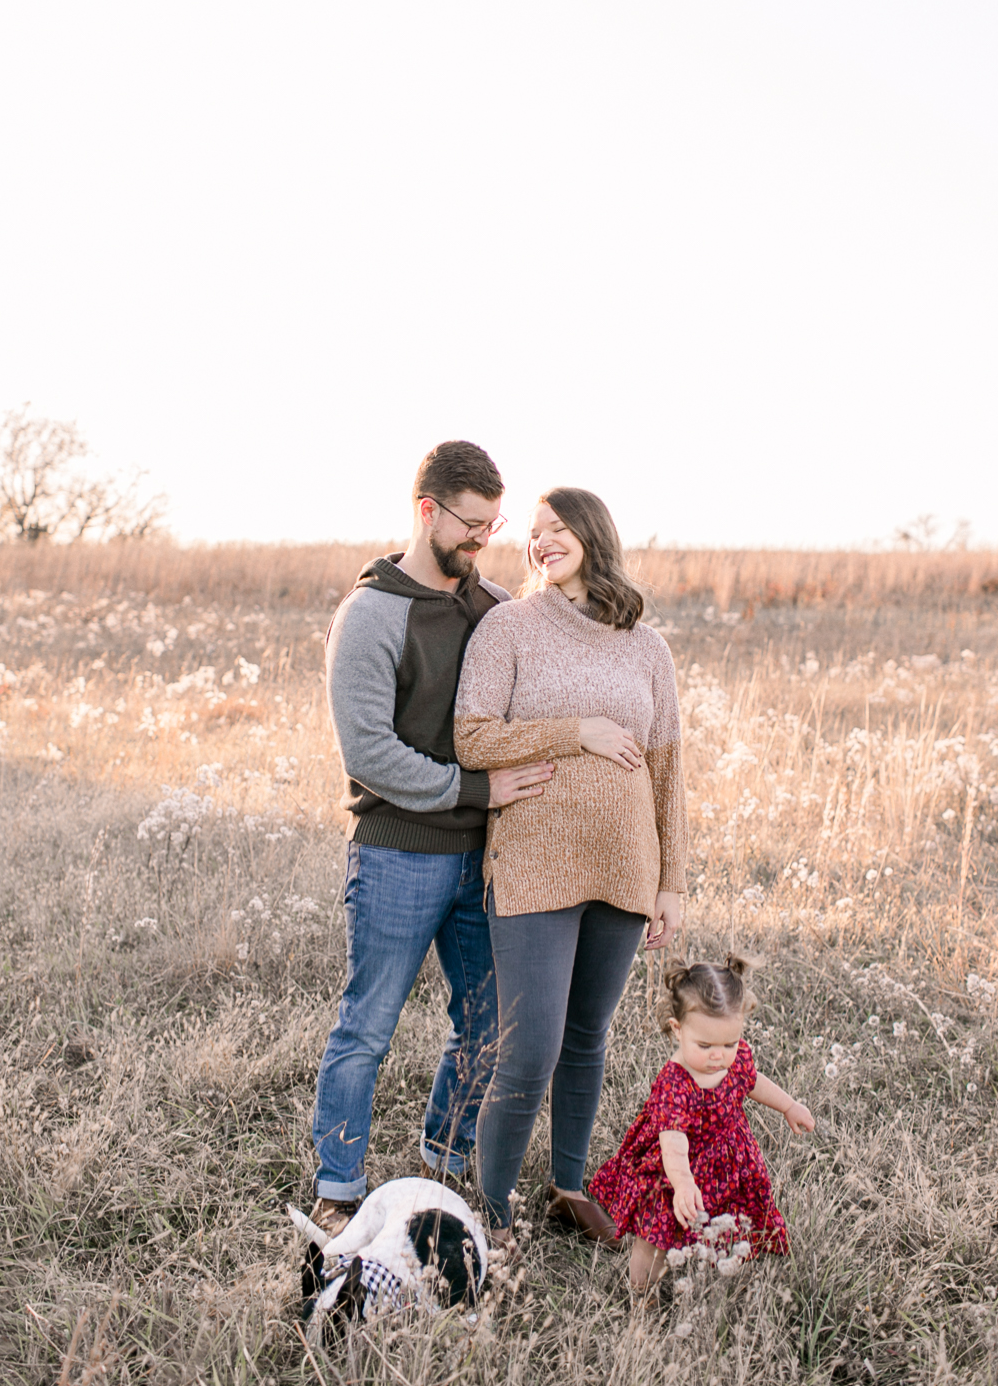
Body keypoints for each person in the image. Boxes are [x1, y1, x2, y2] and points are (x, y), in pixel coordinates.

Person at [308, 441, 555, 1236]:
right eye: (472, 525)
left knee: (487, 1019)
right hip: (397, 852)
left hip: (484, 858)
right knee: (367, 1024)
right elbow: (368, 752)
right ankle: (337, 1184)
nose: (483, 541)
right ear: (427, 511)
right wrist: (472, 790)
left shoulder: (489, 607)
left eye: (494, 525)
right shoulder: (371, 614)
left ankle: (446, 1157)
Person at [454, 487, 687, 1250]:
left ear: (592, 535)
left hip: (624, 867)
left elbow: (665, 770)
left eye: (556, 529)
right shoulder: (507, 628)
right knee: (529, 1046)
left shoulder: (646, 647)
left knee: (587, 1037)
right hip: (532, 862)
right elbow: (471, 740)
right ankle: (487, 1211)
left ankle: (567, 1186)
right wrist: (576, 732)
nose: (540, 541)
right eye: (532, 532)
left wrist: (670, 882)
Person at [587, 953, 814, 1295]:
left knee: (735, 1216)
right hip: (671, 1170)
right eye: (705, 1045)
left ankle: (724, 1275)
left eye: (729, 1043)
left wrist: (788, 1105)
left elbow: (752, 1081)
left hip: (726, 1160)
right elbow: (673, 1143)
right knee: (654, 1234)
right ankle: (641, 1294)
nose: (718, 1056)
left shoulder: (732, 1059)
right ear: (678, 1030)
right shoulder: (676, 1083)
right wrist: (682, 1184)